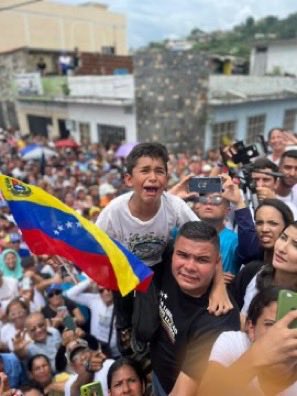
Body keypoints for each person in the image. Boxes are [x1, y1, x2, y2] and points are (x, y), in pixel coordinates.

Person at [96, 143, 232, 352]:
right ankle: (126, 331)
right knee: (137, 321)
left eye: (159, 171)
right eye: (145, 170)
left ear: (166, 180)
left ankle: (151, 335)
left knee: (152, 321)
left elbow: (209, 240)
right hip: (127, 270)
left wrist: (219, 285)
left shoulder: (174, 205)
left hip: (158, 265)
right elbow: (91, 244)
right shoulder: (114, 211)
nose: (153, 177)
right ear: (129, 179)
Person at [149, 221, 240, 396]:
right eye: (183, 255)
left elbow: (183, 392)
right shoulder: (169, 261)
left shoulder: (219, 319)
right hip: (157, 373)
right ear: (173, 253)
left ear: (216, 263)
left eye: (202, 260)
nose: (189, 267)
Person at [199, 287, 297, 395]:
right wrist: (257, 357)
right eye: (270, 324)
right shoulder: (233, 344)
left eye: (292, 327)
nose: (281, 335)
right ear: (251, 328)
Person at [233, 198, 293, 313]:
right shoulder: (251, 270)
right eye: (259, 223)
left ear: (287, 228)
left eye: (273, 223)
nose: (264, 229)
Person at [64, 279, 118, 358]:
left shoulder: (121, 304)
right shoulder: (94, 299)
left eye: (109, 289)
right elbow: (69, 294)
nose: (106, 293)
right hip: (95, 347)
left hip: (115, 352)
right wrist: (91, 280)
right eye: (101, 290)